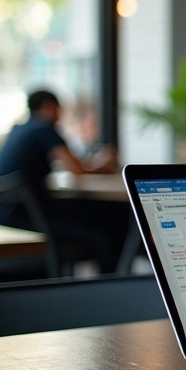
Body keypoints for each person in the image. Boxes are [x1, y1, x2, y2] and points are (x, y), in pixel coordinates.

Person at [0, 90, 121, 273]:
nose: (60, 114)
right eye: (59, 108)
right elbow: (78, 170)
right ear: (49, 106)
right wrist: (104, 164)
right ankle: (114, 288)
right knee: (106, 231)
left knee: (98, 218)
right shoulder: (43, 128)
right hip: (28, 217)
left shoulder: (20, 128)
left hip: (9, 214)